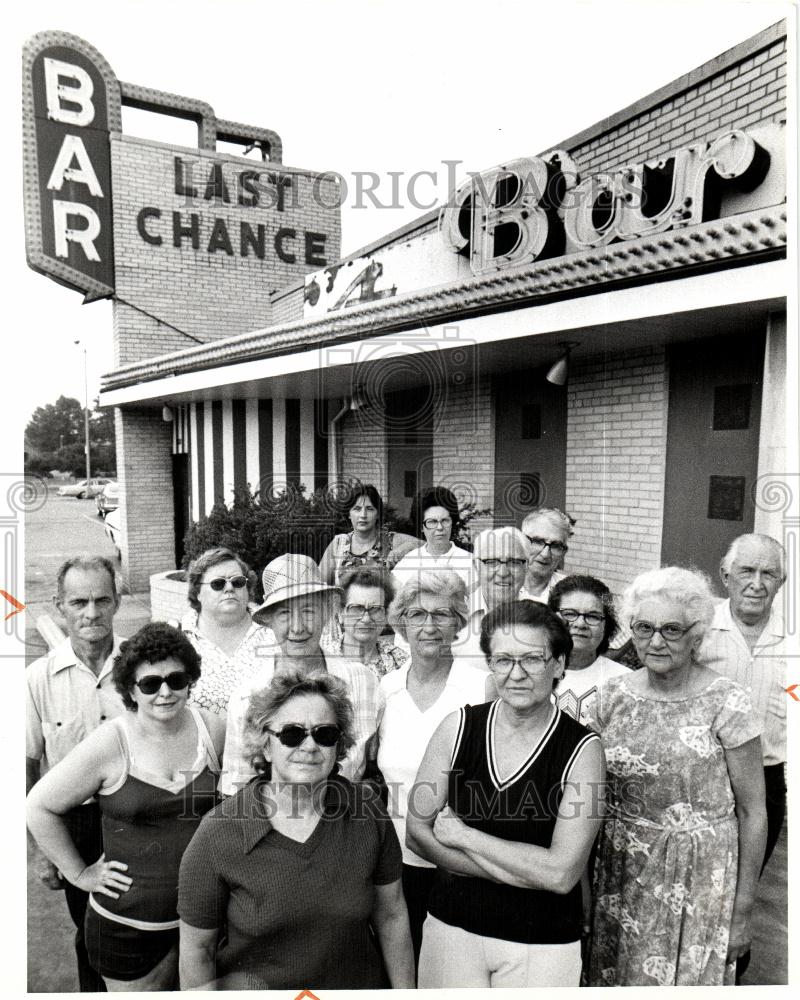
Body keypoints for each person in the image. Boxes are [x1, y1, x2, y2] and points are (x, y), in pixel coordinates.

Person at [584, 567, 767, 987]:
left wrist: (743, 910)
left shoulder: (727, 701)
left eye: (671, 629)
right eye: (644, 628)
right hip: (620, 872)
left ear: (697, 635)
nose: (655, 641)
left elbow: (753, 811)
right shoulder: (611, 696)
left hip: (699, 878)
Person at [407, 600, 604, 988]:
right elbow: (417, 832)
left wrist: (466, 837)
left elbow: (562, 874)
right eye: (502, 660)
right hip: (452, 930)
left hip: (541, 943)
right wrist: (525, 871)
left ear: (559, 664)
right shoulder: (457, 728)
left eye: (532, 659)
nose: (516, 674)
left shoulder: (583, 750)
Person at [178, 669, 415, 990]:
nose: (309, 745)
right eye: (291, 734)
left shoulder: (367, 811)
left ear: (339, 745)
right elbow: (197, 951)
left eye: (325, 734)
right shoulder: (219, 832)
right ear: (264, 744)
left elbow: (392, 916)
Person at [27, 623, 225, 991]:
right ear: (131, 689)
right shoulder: (110, 742)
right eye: (150, 684)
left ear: (190, 679)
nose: (165, 692)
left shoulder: (212, 730)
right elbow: (39, 806)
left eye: (176, 680)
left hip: (201, 927)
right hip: (126, 931)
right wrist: (80, 874)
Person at [377, 570, 494, 968]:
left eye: (442, 614)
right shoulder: (386, 688)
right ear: (401, 623)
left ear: (459, 623)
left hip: (457, 862)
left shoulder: (481, 688)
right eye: (417, 614)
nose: (429, 626)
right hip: (393, 862)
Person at [26, 555, 126, 993]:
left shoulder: (141, 671)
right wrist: (42, 849)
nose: (91, 613)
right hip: (75, 826)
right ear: (59, 605)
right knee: (90, 938)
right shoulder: (36, 681)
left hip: (135, 819)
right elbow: (26, 769)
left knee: (146, 933)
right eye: (79, 601)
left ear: (117, 602)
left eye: (102, 600)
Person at [698, 533, 787, 982]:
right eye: (746, 571)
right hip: (701, 780)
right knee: (697, 887)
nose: (756, 583)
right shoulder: (697, 627)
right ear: (725, 574)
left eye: (768, 573)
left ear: (782, 580)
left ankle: (730, 978)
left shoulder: (794, 639)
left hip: (765, 783)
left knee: (742, 895)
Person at [221, 554, 378, 794]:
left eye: (308, 611)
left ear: (326, 613)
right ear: (270, 620)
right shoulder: (246, 698)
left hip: (346, 822)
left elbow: (378, 767)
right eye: (284, 614)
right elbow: (235, 790)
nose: (297, 627)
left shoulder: (362, 682)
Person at [180, 547, 276, 715]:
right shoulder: (179, 639)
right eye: (218, 584)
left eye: (238, 582)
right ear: (197, 592)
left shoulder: (274, 631)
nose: (229, 588)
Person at [548, 574, 629, 724]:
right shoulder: (529, 671)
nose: (580, 624)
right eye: (570, 614)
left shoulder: (624, 683)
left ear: (606, 626)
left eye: (593, 616)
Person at [318, 483, 419, 584]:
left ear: (378, 514)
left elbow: (425, 545)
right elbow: (319, 585)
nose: (363, 515)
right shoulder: (338, 544)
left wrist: (399, 552)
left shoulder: (390, 540)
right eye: (357, 509)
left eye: (369, 509)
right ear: (349, 513)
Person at [457, 526, 531, 662]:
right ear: (476, 565)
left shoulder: (543, 618)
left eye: (514, 562)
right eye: (491, 562)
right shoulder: (452, 614)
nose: (503, 573)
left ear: (526, 566)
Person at [392, 487, 475, 600]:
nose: (439, 528)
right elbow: (395, 607)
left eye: (445, 521)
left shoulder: (470, 562)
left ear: (452, 523)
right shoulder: (407, 563)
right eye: (432, 522)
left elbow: (477, 611)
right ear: (422, 527)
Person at [333, 566, 409, 680]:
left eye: (375, 609)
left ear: (385, 615)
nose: (366, 619)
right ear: (340, 614)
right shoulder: (323, 660)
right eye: (356, 608)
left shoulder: (401, 663)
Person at [520, 507, 574, 601]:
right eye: (538, 542)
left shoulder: (572, 592)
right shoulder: (496, 584)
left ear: (563, 553)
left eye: (556, 546)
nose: (545, 554)